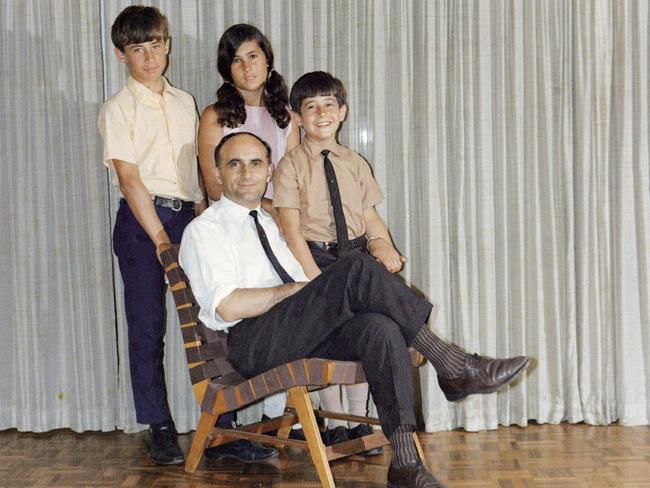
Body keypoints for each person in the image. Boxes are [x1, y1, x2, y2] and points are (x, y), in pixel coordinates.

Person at [179, 132, 530, 488]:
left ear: (269, 171)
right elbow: (226, 305)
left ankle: (406, 464)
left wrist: (319, 294)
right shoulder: (205, 230)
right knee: (356, 269)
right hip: (250, 343)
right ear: (218, 172)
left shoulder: (271, 223)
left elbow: (308, 287)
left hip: (293, 333)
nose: (246, 172)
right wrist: (296, 293)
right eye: (234, 164)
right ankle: (453, 365)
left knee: (379, 328)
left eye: (255, 163)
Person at [97, 6, 205, 465]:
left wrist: (204, 224)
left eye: (156, 44)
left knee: (212, 323)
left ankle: (225, 421)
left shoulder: (185, 102)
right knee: (148, 328)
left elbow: (197, 173)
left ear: (167, 44)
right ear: (122, 55)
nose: (149, 56)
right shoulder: (117, 109)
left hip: (189, 219)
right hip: (143, 225)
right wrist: (162, 239)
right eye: (137, 49)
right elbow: (129, 179)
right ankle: (158, 426)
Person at [271, 71, 401, 450]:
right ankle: (332, 422)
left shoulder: (356, 162)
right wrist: (314, 279)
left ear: (342, 112)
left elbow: (371, 216)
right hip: (317, 257)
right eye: (311, 107)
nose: (321, 113)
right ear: (297, 117)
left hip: (356, 254)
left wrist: (383, 246)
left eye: (329, 104)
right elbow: (291, 229)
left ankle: (359, 420)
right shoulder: (290, 165)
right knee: (327, 336)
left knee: (367, 329)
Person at [196, 23, 300, 462]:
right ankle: (226, 427)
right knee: (231, 310)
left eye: (253, 56)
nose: (246, 66)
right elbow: (214, 181)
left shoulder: (286, 118)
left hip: (278, 228)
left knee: (287, 309)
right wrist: (264, 211)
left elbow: (293, 179)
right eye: (236, 60)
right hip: (235, 227)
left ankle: (281, 421)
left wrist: (281, 215)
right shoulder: (215, 116)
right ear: (227, 70)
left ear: (267, 60)